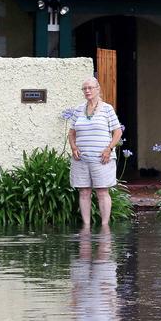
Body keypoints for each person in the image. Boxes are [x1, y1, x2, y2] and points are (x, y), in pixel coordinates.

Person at [68, 77, 123, 227]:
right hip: (81, 159)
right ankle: (86, 226)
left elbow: (117, 132)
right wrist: (73, 147)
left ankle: (105, 226)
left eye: (90, 88)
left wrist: (109, 148)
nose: (87, 91)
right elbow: (71, 132)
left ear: (98, 89)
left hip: (102, 158)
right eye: (84, 88)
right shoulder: (79, 109)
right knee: (84, 192)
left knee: (102, 192)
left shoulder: (107, 109)